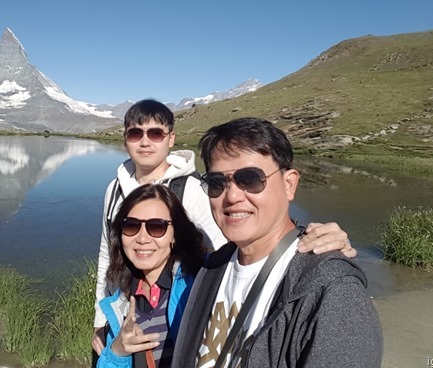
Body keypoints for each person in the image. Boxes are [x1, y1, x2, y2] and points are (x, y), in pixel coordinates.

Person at [93, 99, 357, 354]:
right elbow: (107, 252)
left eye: (250, 179)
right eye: (136, 133)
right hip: (123, 313)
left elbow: (232, 242)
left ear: (171, 138)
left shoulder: (193, 190)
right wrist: (101, 320)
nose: (231, 196)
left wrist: (310, 241)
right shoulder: (114, 189)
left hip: (177, 314)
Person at [172, 117, 383, 368]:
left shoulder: (331, 289)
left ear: (289, 184)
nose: (232, 196)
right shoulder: (212, 268)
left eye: (249, 179)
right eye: (217, 183)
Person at [97, 183, 207, 367]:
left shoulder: (197, 286)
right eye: (131, 226)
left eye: (157, 227)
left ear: (175, 235)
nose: (142, 238)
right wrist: (117, 352)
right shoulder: (120, 303)